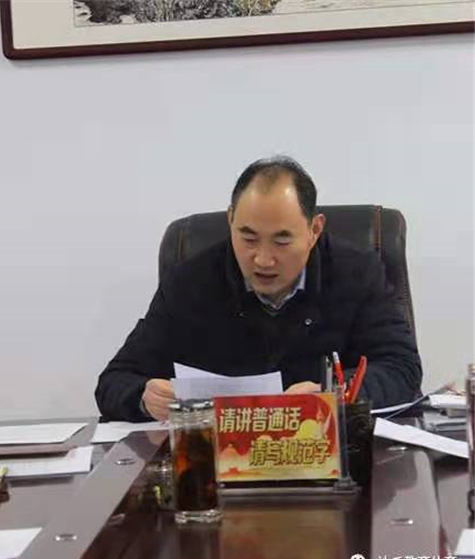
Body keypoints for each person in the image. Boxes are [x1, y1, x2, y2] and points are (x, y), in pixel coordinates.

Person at [95, 156, 422, 422]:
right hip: (220, 466)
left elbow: (401, 369)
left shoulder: (357, 273)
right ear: (230, 220)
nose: (263, 259)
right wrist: (143, 398)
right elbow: (116, 380)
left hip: (330, 456)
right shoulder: (189, 282)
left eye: (282, 240)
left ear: (314, 230)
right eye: (248, 238)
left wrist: (333, 393)